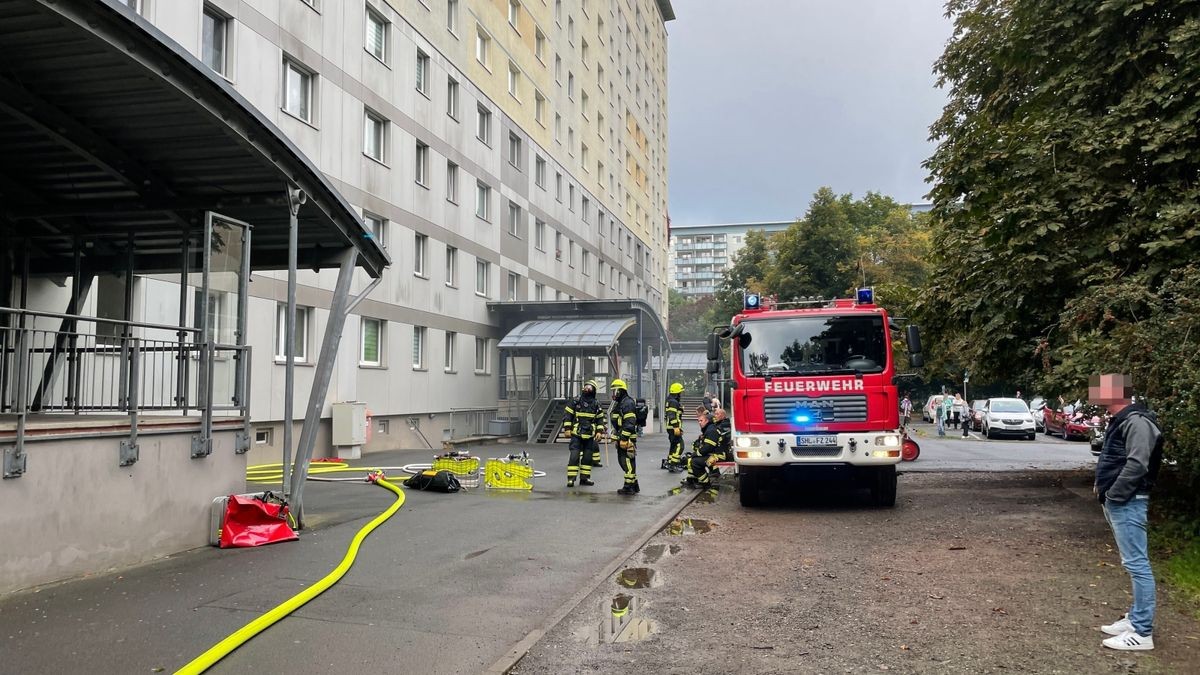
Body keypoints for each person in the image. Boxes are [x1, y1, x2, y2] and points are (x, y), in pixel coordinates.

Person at [1093, 374, 1163, 651]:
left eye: (1101, 388)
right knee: (1131, 562)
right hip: (1120, 500)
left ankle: (1142, 632)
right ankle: (1135, 619)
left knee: (1137, 564)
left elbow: (1137, 465)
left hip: (1129, 500)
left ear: (1118, 393)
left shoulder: (1138, 422)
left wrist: (1113, 494)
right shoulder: (1124, 420)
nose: (1096, 392)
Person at [562, 380, 600, 487]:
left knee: (587, 458)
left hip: (589, 435)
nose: (587, 389)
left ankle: (584, 479)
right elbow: (568, 415)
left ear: (594, 390)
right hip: (576, 434)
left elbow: (600, 419)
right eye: (586, 386)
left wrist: (599, 432)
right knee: (574, 456)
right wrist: (567, 428)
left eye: (590, 387)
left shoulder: (596, 403)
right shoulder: (576, 401)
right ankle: (571, 479)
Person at [609, 378, 640, 495]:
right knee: (624, 462)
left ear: (620, 391)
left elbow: (630, 423)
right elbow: (618, 422)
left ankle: (629, 486)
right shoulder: (621, 403)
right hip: (622, 437)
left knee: (627, 461)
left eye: (615, 391)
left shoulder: (627, 403)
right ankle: (634, 484)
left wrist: (623, 439)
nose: (613, 394)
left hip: (627, 439)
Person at [685, 407, 723, 489]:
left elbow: (708, 447)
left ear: (707, 421)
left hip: (718, 455)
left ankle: (705, 483)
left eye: (701, 421)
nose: (699, 423)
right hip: (714, 454)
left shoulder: (711, 430)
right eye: (698, 421)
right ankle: (693, 480)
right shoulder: (709, 429)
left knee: (695, 462)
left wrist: (695, 454)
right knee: (692, 459)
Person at [662, 382, 685, 471]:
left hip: (671, 427)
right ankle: (673, 464)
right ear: (677, 393)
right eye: (680, 392)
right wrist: (676, 427)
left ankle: (670, 462)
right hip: (673, 428)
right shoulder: (673, 402)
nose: (681, 394)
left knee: (674, 445)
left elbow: (673, 413)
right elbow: (672, 415)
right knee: (680, 445)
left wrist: (680, 409)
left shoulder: (671, 401)